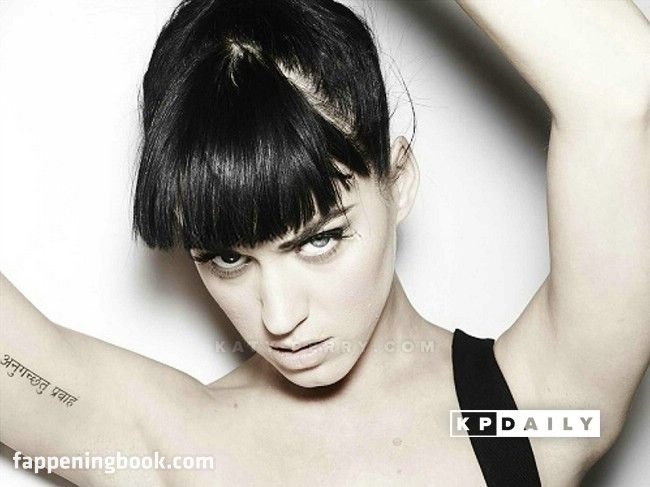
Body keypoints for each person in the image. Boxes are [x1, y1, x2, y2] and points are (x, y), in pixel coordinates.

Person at [1, 0, 648, 485]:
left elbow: (624, 88)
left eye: (320, 240)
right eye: (228, 258)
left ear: (398, 181)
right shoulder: (177, 449)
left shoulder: (529, 411)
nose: (280, 317)